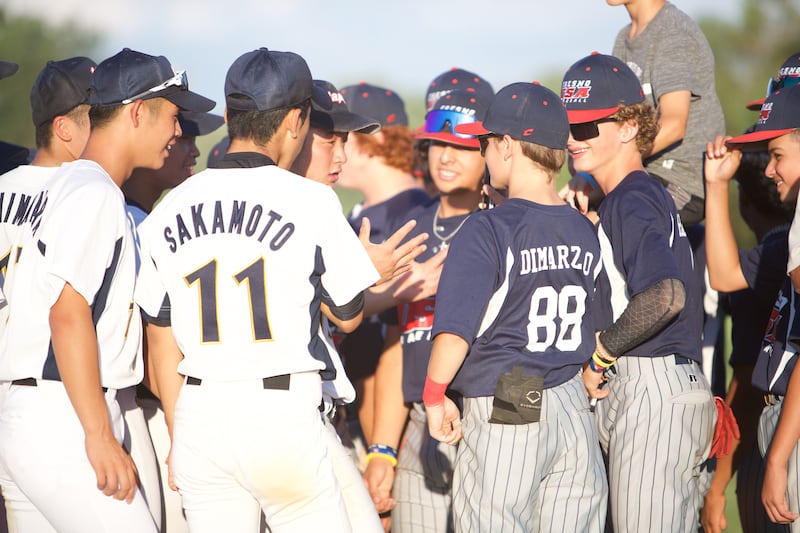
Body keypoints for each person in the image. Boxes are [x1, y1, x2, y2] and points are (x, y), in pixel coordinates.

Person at [134, 47, 381, 533]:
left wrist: (178, 431)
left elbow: (158, 333)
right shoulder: (312, 199)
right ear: (296, 121)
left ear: (228, 116)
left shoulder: (170, 206)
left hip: (199, 416)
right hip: (281, 413)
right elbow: (348, 315)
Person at [0, 47, 213, 532]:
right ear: (138, 112)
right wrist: (97, 433)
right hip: (65, 418)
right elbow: (67, 312)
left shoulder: (59, 184)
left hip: (30, 411)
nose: (179, 132)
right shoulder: (93, 191)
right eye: (174, 117)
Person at [421, 81, 607, 532]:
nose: (484, 155)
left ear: (507, 146)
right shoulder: (584, 229)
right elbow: (599, 330)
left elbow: (455, 332)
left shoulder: (487, 228)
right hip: (570, 402)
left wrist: (433, 395)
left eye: (485, 144)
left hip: (514, 393)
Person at [561, 52, 717, 532]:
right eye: (568, 125)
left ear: (629, 127)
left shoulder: (632, 194)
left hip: (652, 387)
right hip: (660, 387)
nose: (571, 138)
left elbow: (666, 294)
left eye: (586, 127)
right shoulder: (628, 196)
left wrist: (598, 357)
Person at [363, 88, 492, 533]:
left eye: (462, 145)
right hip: (420, 416)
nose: (446, 156)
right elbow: (399, 340)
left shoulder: (505, 222)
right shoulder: (410, 227)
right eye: (439, 142)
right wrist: (382, 449)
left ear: (491, 150)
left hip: (486, 415)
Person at [701, 70, 799, 533]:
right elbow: (724, 274)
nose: (768, 166)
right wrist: (717, 185)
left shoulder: (787, 240)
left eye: (776, 152)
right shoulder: (784, 242)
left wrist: (776, 459)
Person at [123, 109, 225, 533]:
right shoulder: (136, 223)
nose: (191, 147)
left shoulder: (145, 218)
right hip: (157, 409)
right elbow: (151, 341)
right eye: (183, 136)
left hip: (159, 409)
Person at [562, 0, 725, 228]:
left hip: (678, 180)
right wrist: (590, 176)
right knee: (564, 219)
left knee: (594, 230)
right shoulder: (623, 38)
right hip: (638, 174)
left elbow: (675, 124)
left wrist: (603, 167)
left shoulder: (672, 31)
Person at [335, 82, 432, 447]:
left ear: (375, 140)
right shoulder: (360, 212)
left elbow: (394, 341)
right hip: (353, 409)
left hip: (390, 423)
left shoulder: (415, 213)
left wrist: (381, 449)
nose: (335, 148)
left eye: (343, 135)